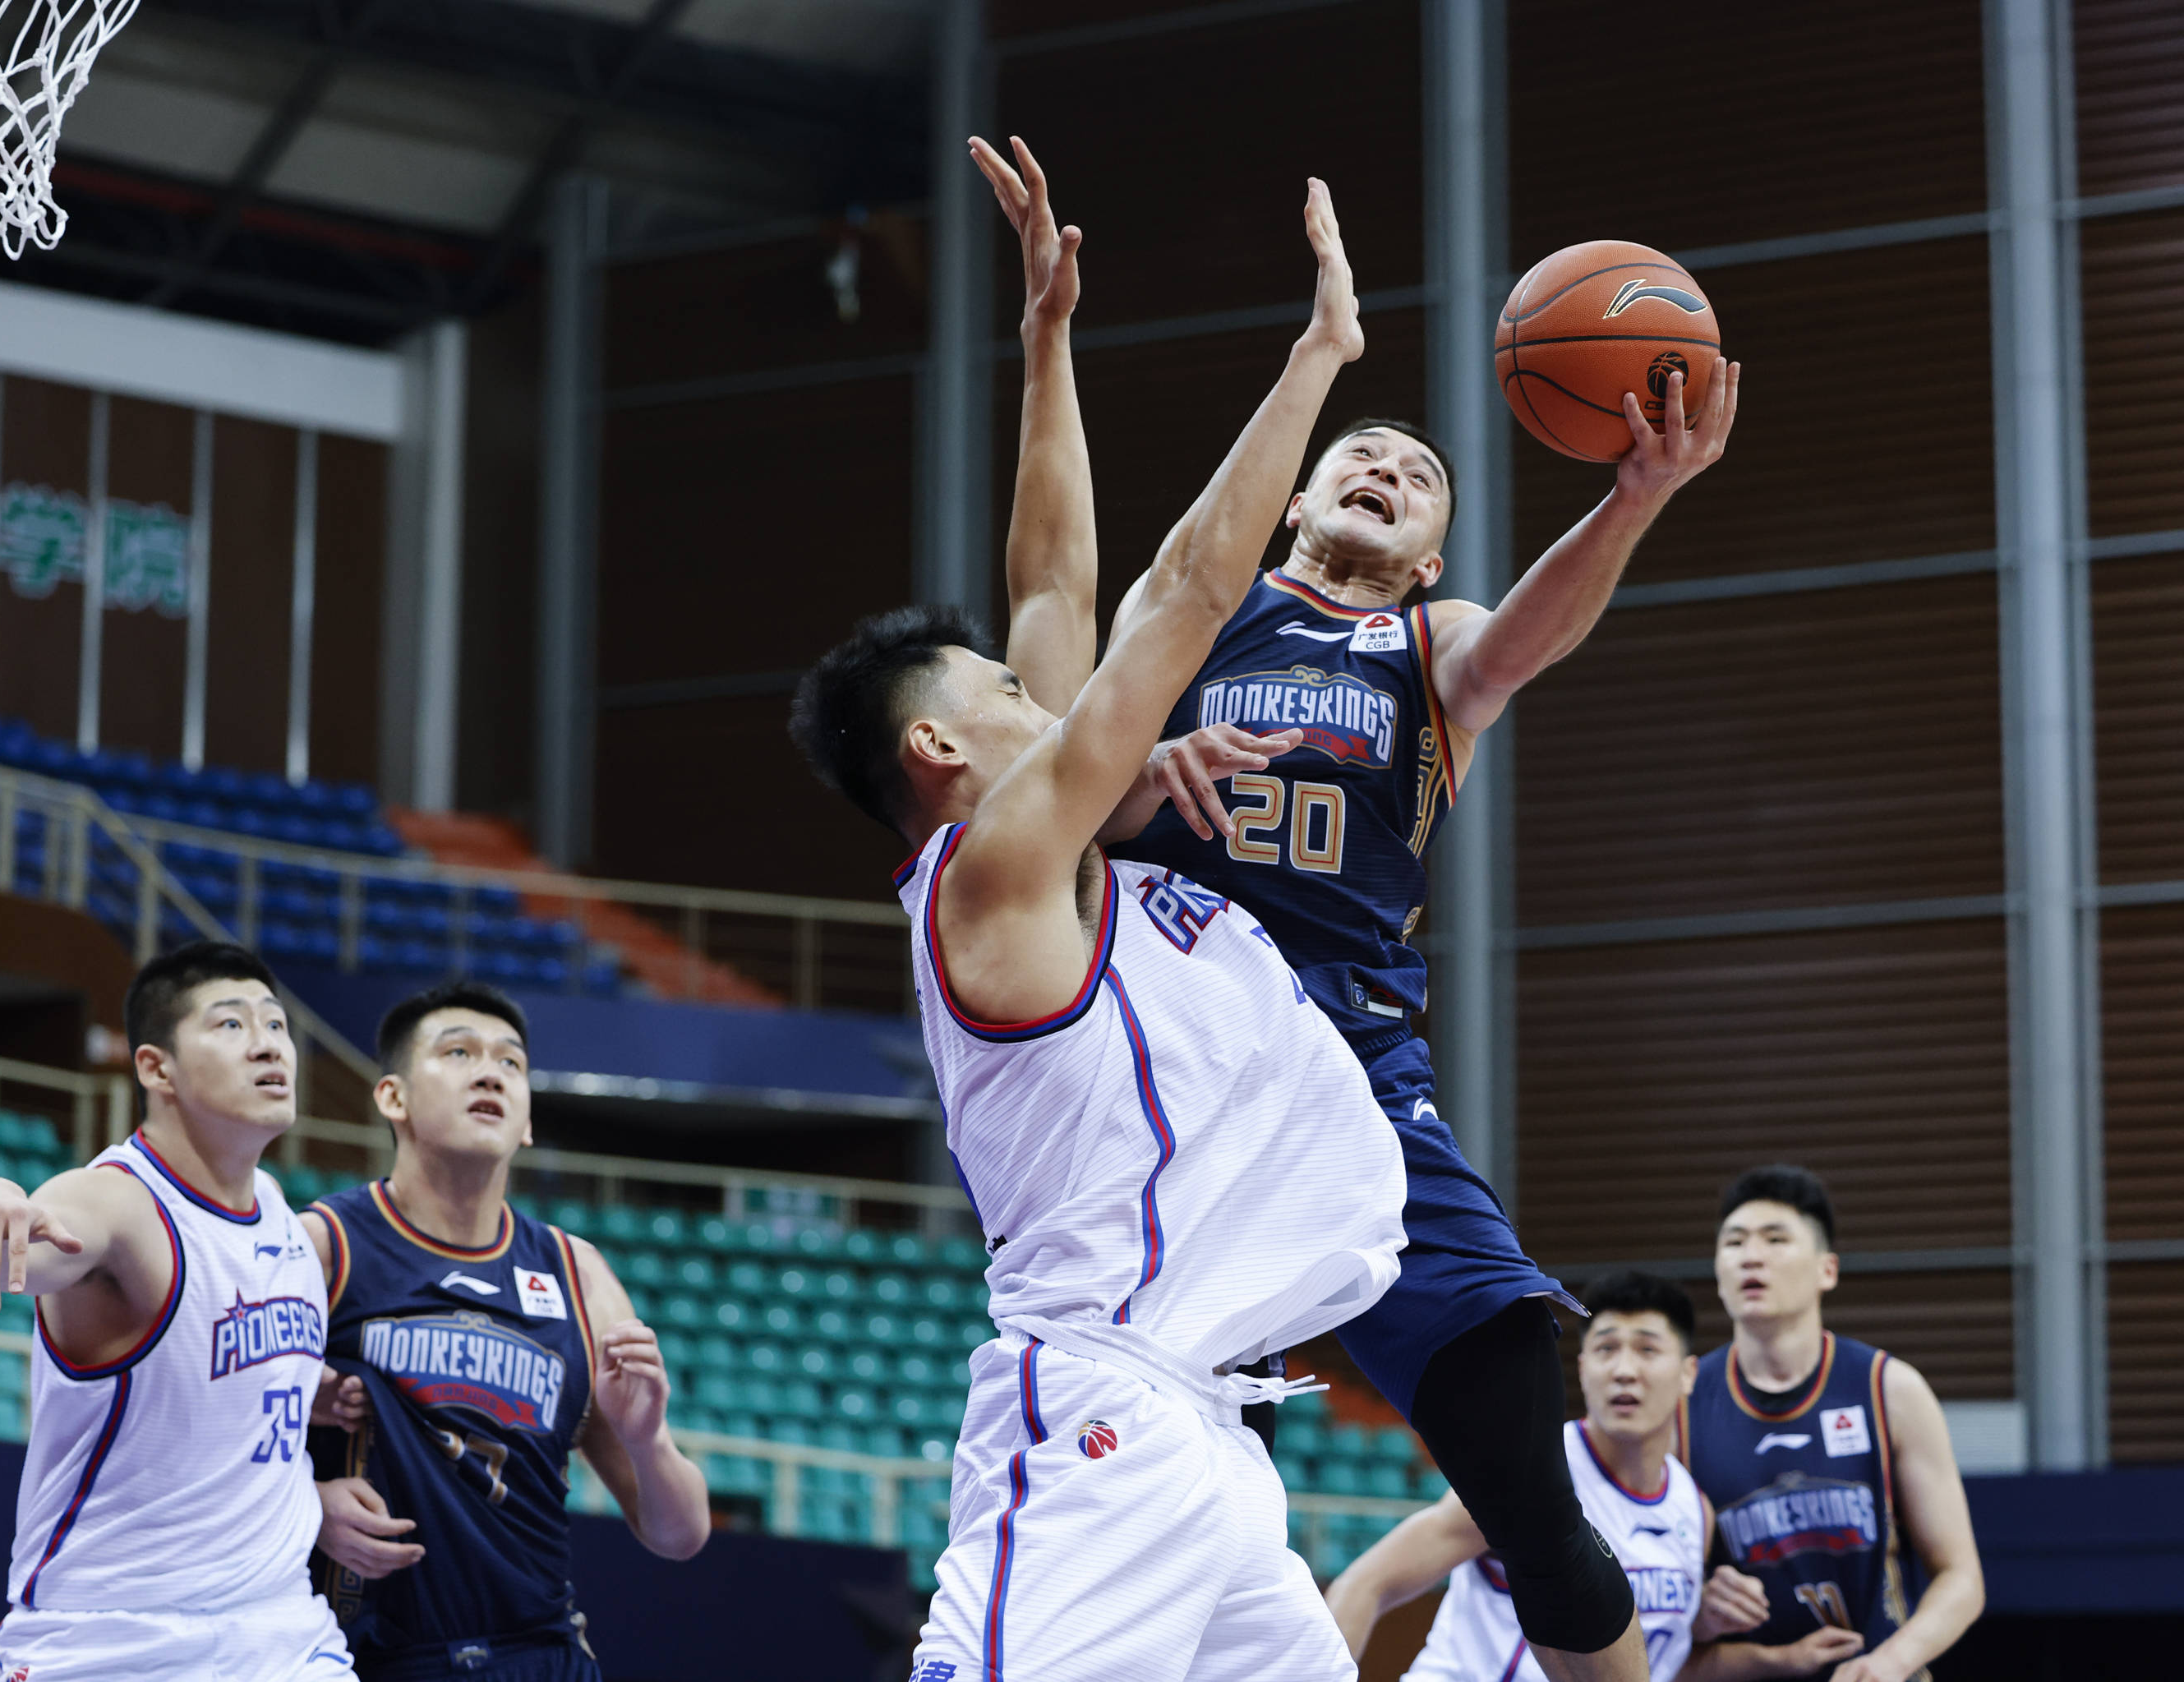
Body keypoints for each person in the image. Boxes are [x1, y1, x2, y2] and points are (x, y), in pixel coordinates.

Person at [976, 139, 1742, 1682]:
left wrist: (1638, 497)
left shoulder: (1431, 646)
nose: (1385, 467)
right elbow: (1054, 593)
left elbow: (1523, 644)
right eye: (1360, 456)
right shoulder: (1195, 620)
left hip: (1352, 1080)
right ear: (1297, 496)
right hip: (1174, 1074)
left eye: (1419, 475)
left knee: (1528, 1471)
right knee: (1149, 1446)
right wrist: (1139, 763)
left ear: (1435, 553)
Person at [794, 149, 1407, 1680]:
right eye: (1000, 692)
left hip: (1209, 1424)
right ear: (938, 751)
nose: (1032, 684)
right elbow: (1190, 591)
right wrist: (1318, 358)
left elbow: (1055, 577)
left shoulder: (1060, 848)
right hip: (1096, 1408)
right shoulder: (995, 875)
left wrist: (1046, 343)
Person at [0, 940, 357, 1680]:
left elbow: (212, 1375)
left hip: (283, 1633)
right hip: (116, 1641)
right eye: (231, 1025)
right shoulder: (120, 1202)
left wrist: (302, 1404)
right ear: (157, 1068)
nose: (268, 1044)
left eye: (277, 1024)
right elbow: (40, 1237)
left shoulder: (287, 1222)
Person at [303, 979, 709, 1680]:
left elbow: (680, 1535)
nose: (490, 1071)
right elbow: (197, 1437)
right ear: (393, 1097)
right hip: (369, 1657)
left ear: (526, 1122)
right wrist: (301, 1506)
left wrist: (646, 1439)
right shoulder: (325, 1245)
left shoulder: (577, 1273)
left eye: (511, 1063)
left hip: (541, 1654)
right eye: (458, 1052)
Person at [1325, 1270, 1864, 1682]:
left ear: (1688, 1373)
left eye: (1648, 1348)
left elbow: (1655, 1665)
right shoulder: (1525, 1468)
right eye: (1606, 1348)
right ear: (1582, 1367)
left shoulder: (1691, 1507)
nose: (1624, 1368)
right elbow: (1366, 1581)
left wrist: (1780, 1658)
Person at [1680, 1167, 1984, 1682]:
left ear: (1828, 1270)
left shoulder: (1889, 1389)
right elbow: (1641, 1588)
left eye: (1776, 1239)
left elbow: (1961, 1578)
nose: (1751, 1255)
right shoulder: (1682, 1405)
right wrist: (1696, 1612)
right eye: (1734, 1243)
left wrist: (1891, 1663)